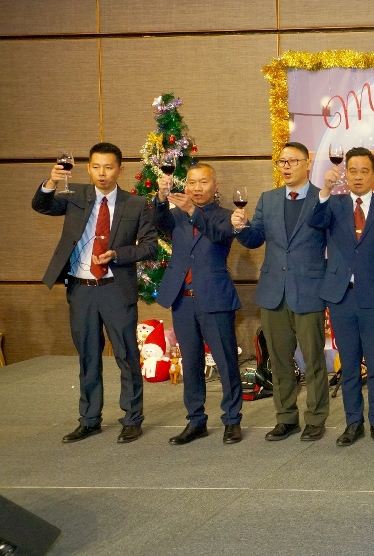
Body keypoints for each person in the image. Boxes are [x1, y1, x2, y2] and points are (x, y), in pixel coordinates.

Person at [32, 143, 157, 444]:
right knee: (88, 356)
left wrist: (118, 254)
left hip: (116, 288)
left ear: (120, 169)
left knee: (126, 355)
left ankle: (132, 419)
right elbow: (42, 206)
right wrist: (50, 182)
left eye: (108, 167)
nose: (102, 173)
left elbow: (150, 246)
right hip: (81, 289)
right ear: (88, 168)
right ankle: (89, 420)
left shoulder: (136, 204)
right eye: (96, 167)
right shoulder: (74, 195)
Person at [233, 142, 330, 442]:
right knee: (279, 360)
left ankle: (316, 418)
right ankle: (286, 417)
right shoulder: (269, 199)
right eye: (281, 162)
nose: (286, 167)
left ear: (307, 163)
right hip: (274, 291)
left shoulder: (322, 199)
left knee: (313, 360)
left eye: (292, 161)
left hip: (309, 291)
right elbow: (255, 239)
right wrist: (241, 227)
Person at [310, 147, 374, 447]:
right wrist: (325, 189)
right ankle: (353, 423)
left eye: (364, 171)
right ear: (345, 173)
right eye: (353, 171)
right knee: (348, 365)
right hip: (340, 297)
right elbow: (314, 221)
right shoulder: (333, 203)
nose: (358, 176)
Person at [155, 164, 243, 445]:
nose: (196, 188)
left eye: (203, 182)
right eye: (191, 182)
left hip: (215, 298)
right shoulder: (176, 215)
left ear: (215, 186)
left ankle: (232, 420)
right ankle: (196, 421)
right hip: (182, 299)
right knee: (191, 362)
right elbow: (157, 223)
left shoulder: (227, 216)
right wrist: (161, 197)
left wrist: (193, 211)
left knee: (226, 362)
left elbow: (219, 236)